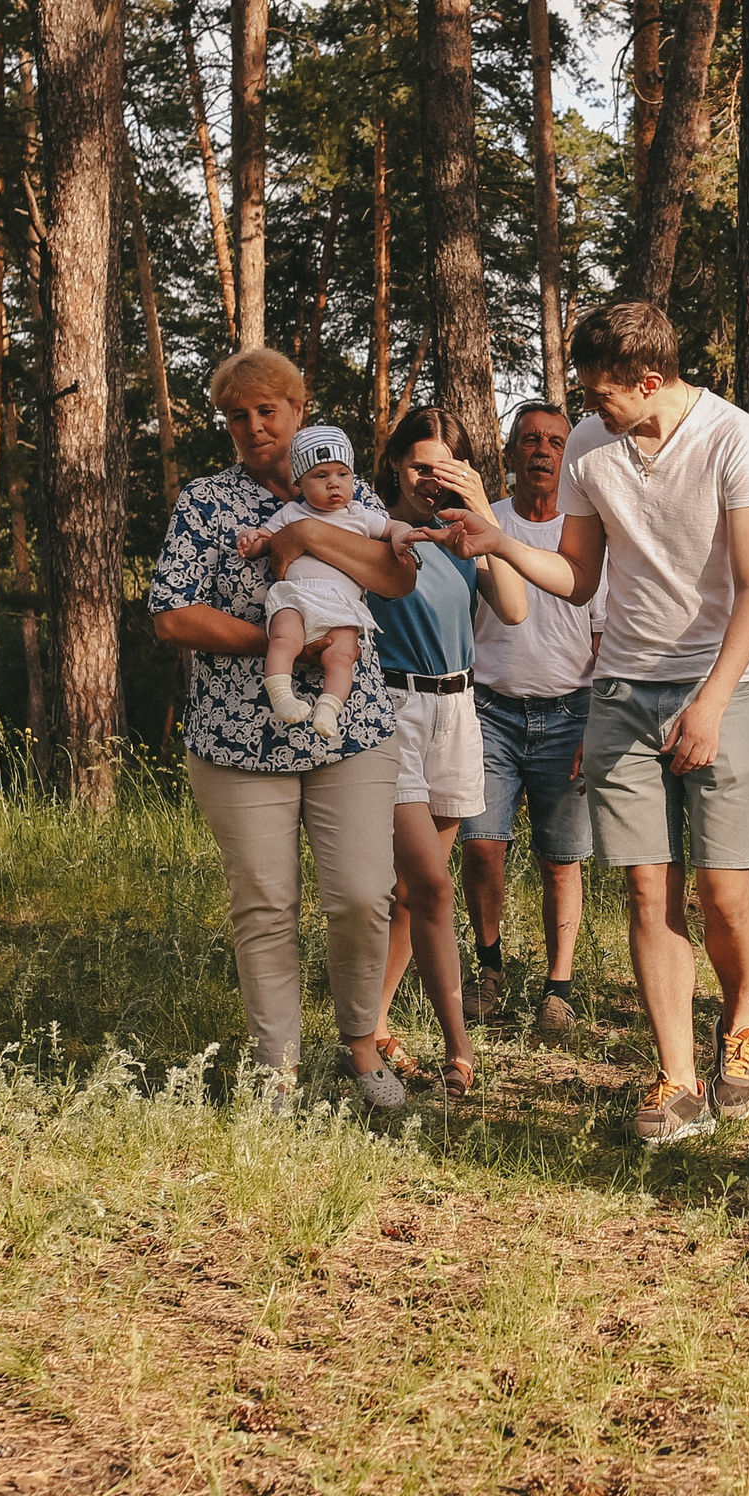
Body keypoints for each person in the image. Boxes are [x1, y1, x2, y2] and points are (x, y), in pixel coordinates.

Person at [424, 301, 749, 1142]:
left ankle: (739, 1022)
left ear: (648, 381)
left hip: (722, 683)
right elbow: (579, 578)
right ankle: (678, 1077)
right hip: (621, 688)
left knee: (723, 891)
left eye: (601, 392)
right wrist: (501, 544)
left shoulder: (736, 439)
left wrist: (713, 703)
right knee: (647, 884)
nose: (589, 408)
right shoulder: (591, 444)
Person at [148, 348, 417, 1109]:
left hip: (350, 728)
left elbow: (396, 579)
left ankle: (363, 1045)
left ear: (300, 412)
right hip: (239, 736)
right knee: (266, 902)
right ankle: (276, 1069)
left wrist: (310, 542)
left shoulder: (347, 489)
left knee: (364, 893)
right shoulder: (208, 504)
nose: (254, 426)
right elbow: (170, 613)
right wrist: (281, 641)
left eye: (269, 410)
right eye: (238, 415)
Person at [275, 406, 548, 1102]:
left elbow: (514, 608)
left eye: (445, 467)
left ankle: (375, 1023)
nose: (431, 480)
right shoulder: (364, 520)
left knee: (411, 895)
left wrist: (481, 514)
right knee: (431, 884)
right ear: (394, 463)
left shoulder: (464, 532)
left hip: (458, 710)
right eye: (420, 465)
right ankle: (460, 1050)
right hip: (387, 707)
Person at [461, 400, 603, 1039]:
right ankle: (488, 971)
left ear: (568, 455)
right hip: (488, 709)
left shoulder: (588, 532)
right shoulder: (478, 523)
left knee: (561, 859)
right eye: (530, 440)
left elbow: (605, 637)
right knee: (483, 847)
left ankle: (559, 991)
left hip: (570, 714)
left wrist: (597, 724)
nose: (543, 451)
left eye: (555, 441)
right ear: (511, 452)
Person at [242, 425, 411, 740]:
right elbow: (264, 540)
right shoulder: (291, 513)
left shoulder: (360, 515)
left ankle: (328, 709)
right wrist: (251, 540)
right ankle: (281, 694)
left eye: (342, 474)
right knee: (283, 639)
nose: (334, 483)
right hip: (297, 596)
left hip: (341, 605)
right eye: (320, 476)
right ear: (301, 483)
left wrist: (401, 537)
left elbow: (393, 527)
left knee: (343, 655)